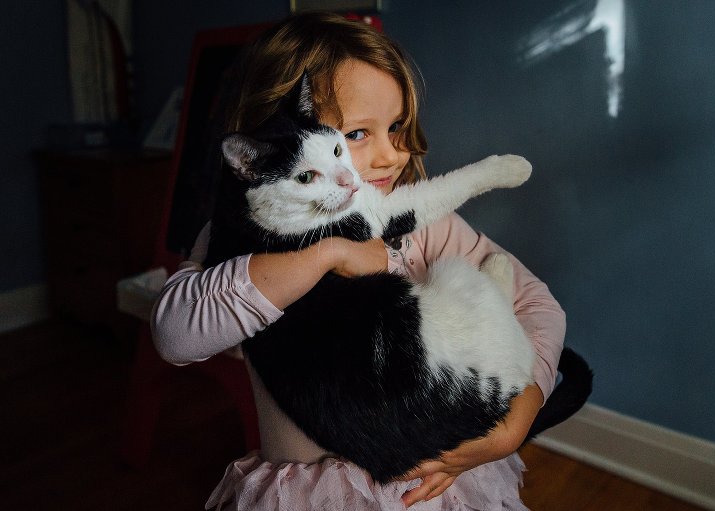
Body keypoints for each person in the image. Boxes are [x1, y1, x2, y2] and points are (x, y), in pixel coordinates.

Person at [152, 11, 565, 511]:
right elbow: (174, 334)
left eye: (396, 127)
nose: (392, 155)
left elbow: (538, 303)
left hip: (437, 481)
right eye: (357, 134)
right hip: (313, 494)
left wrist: (519, 416)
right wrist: (329, 253)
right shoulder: (241, 238)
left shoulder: (428, 223)